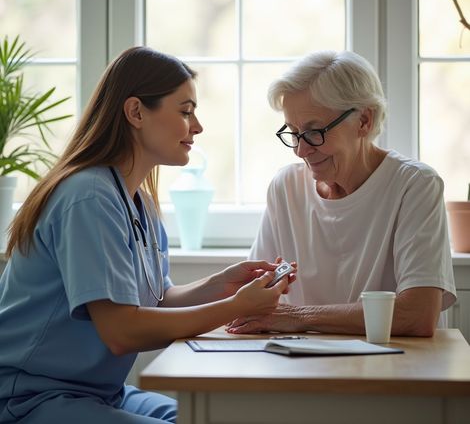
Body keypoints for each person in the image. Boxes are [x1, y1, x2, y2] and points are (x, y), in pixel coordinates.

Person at [0, 46, 295, 424]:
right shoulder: (88, 196)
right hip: (30, 397)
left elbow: (158, 300)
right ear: (136, 112)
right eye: (185, 111)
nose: (198, 126)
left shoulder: (137, 198)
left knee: (217, 416)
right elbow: (122, 331)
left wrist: (224, 285)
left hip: (101, 394)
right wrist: (238, 307)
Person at [226, 50, 456, 337]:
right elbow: (256, 300)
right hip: (303, 367)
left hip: (393, 367)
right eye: (294, 132)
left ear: (364, 121)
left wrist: (298, 316)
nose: (301, 150)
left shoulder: (415, 185)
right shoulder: (286, 186)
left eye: (314, 131)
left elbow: (417, 314)